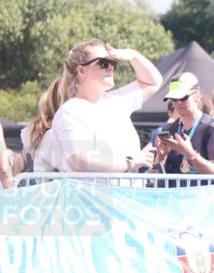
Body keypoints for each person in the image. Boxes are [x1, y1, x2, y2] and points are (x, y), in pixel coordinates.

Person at [49, 39, 161, 173]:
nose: (111, 67)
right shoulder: (70, 111)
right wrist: (132, 162)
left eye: (113, 63)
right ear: (81, 70)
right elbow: (80, 162)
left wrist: (133, 55)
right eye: (103, 63)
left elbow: (153, 82)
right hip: (92, 194)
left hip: (129, 193)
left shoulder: (117, 101)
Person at [153, 73, 214, 176]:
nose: (178, 103)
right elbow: (154, 179)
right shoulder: (168, 129)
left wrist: (190, 154)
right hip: (172, 192)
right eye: (174, 99)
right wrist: (160, 157)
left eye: (183, 97)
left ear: (197, 95)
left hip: (201, 192)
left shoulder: (212, 128)